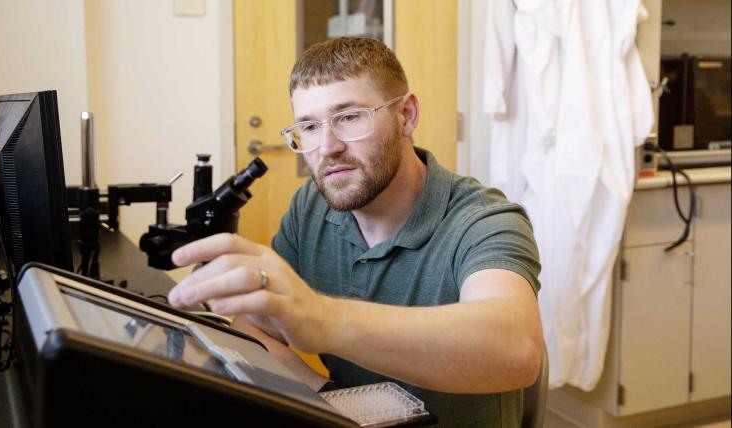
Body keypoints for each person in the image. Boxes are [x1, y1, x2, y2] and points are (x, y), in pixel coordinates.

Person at [169, 37, 543, 426]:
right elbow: (253, 327)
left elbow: (516, 350)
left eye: (349, 117)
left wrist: (323, 320)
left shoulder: (483, 219)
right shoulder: (311, 207)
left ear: (407, 115)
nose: (327, 146)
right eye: (309, 126)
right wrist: (326, 399)